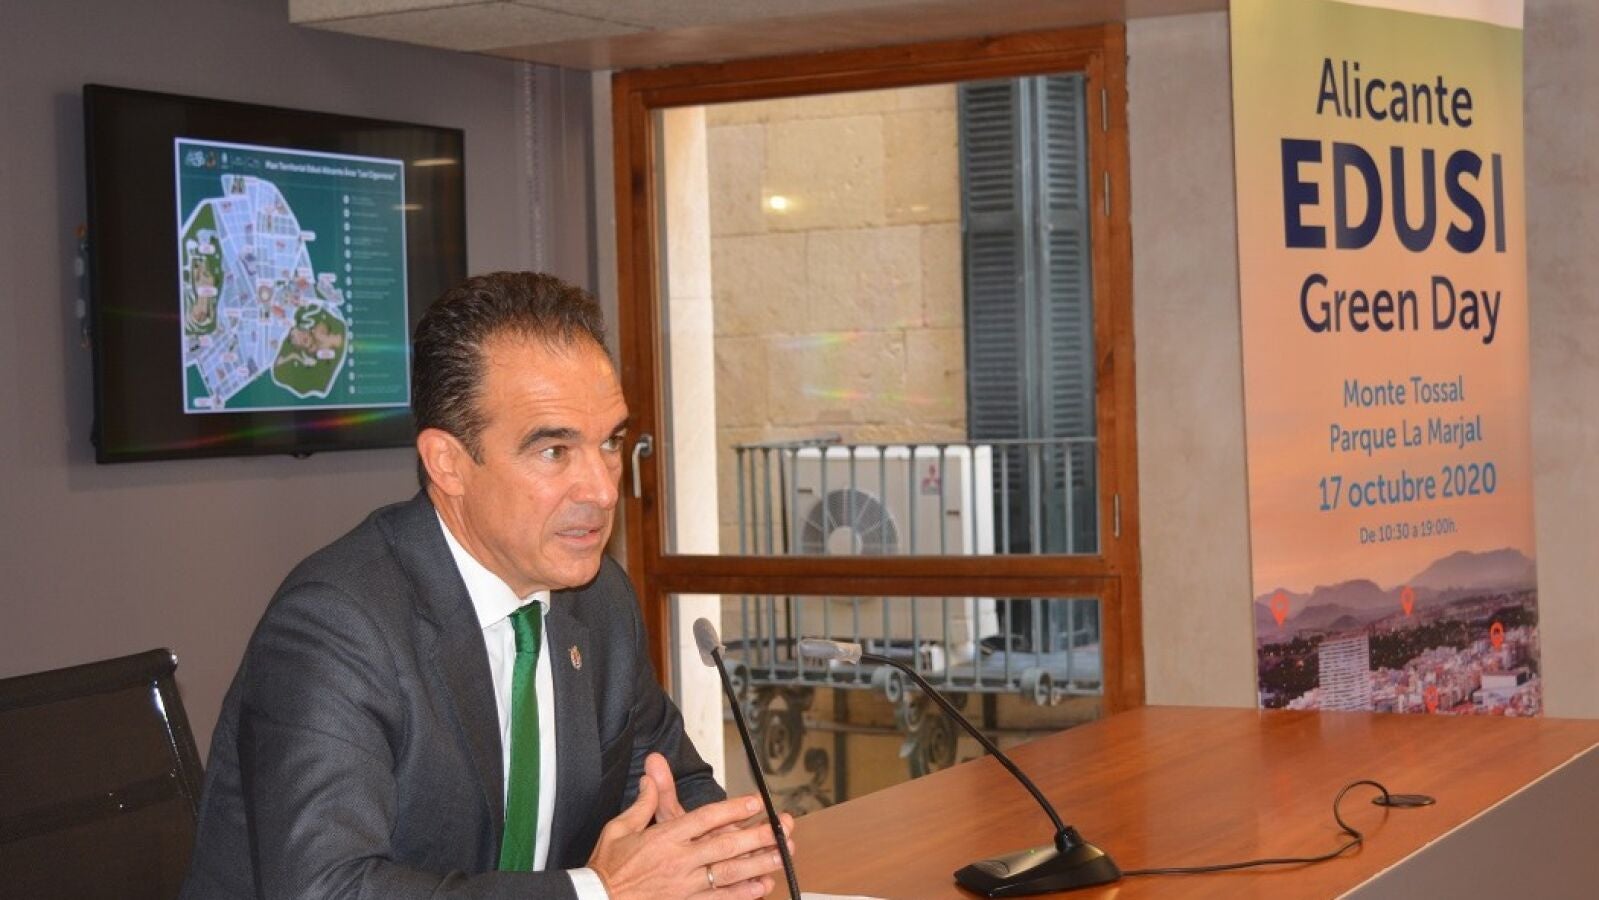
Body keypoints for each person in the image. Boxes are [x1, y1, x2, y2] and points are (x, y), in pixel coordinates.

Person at [182, 272, 793, 899]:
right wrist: (597, 892)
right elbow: (327, 890)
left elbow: (672, 783)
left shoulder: (599, 600)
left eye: (610, 442)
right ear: (448, 463)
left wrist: (722, 851)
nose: (603, 489)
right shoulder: (336, 626)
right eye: (554, 451)